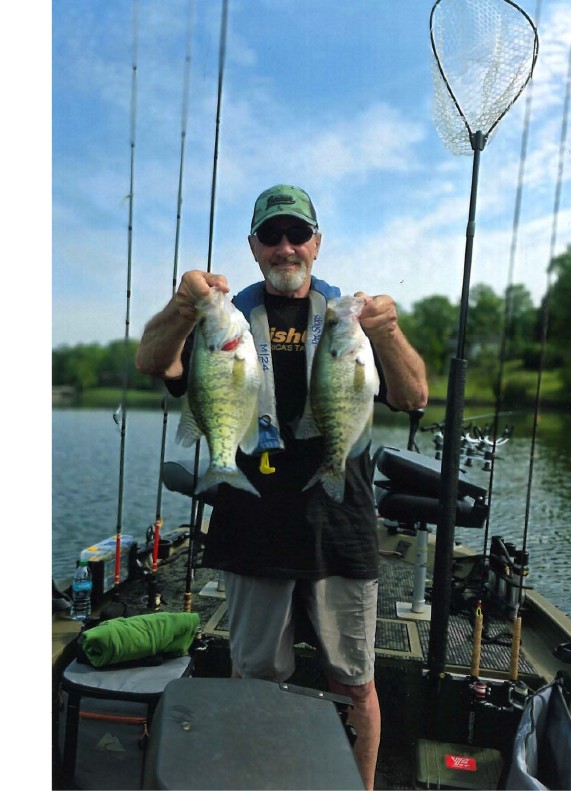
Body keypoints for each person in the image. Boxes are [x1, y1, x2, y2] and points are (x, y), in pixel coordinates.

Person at [136, 184, 428, 789]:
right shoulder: (228, 319)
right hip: (251, 529)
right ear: (254, 247)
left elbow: (413, 396)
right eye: (272, 236)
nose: (285, 247)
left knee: (355, 684)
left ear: (317, 244)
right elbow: (153, 361)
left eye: (298, 235)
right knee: (255, 680)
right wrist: (182, 306)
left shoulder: (350, 320)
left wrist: (390, 333)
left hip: (338, 527)